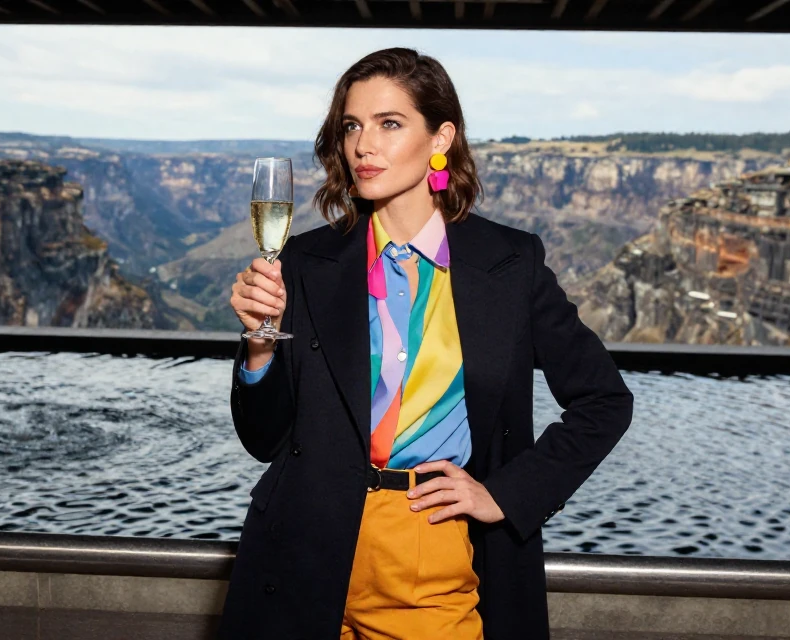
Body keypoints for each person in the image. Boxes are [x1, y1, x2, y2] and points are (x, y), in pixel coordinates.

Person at [223, 47, 633, 640]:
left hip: (430, 550)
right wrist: (259, 348)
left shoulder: (511, 264)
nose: (364, 145)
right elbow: (264, 441)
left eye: (390, 124)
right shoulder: (307, 263)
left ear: (441, 136)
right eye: (352, 126)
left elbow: (604, 401)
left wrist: (505, 494)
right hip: (301, 550)